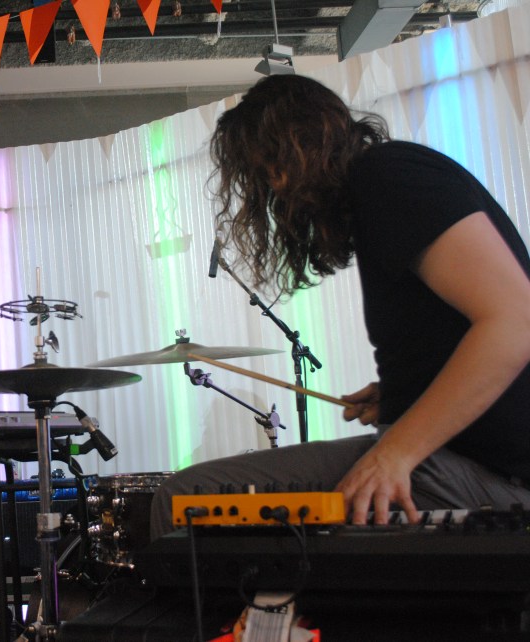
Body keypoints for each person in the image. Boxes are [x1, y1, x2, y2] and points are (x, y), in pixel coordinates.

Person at [151, 75, 530, 539]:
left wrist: (395, 455)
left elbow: (516, 321)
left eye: (272, 164)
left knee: (183, 500)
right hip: (468, 462)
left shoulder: (392, 175)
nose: (274, 185)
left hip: (489, 476)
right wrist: (406, 387)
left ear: (302, 142)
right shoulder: (387, 184)